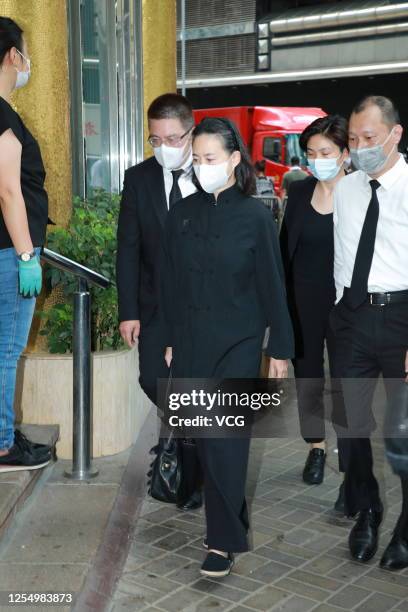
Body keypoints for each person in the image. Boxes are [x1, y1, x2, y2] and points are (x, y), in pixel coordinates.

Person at [160, 117, 294, 578]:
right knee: (204, 438)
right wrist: (172, 339)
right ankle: (226, 522)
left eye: (210, 159)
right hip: (193, 339)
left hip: (238, 341)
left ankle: (221, 541)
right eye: (196, 159)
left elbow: (273, 285)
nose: (202, 167)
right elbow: (173, 284)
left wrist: (280, 348)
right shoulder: (183, 211)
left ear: (235, 159)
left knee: (227, 442)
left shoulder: (255, 216)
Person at [331, 95, 408, 570]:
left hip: (402, 318)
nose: (360, 148)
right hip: (353, 318)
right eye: (354, 140)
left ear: (395, 134)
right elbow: (342, 257)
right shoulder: (347, 189)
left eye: (369, 139)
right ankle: (368, 508)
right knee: (351, 426)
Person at [116, 93, 202, 511]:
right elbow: (127, 249)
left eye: (172, 138)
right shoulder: (139, 179)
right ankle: (182, 439)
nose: (164, 146)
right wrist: (128, 311)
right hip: (153, 305)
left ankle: (191, 461)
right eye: (155, 139)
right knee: (153, 379)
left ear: (190, 132)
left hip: (201, 305)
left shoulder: (211, 171)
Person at [280, 115, 349, 500]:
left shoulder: (360, 193)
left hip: (345, 304)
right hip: (302, 302)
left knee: (346, 380)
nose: (317, 159)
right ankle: (316, 447)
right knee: (307, 378)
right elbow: (284, 249)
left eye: (325, 152)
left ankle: (351, 456)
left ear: (345, 153)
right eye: (311, 152)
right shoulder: (300, 192)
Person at [0, 17, 52, 471]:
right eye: (25, 51)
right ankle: (1, 444)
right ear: (13, 55)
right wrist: (24, 255)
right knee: (5, 350)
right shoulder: (0, 113)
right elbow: (9, 190)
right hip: (8, 252)